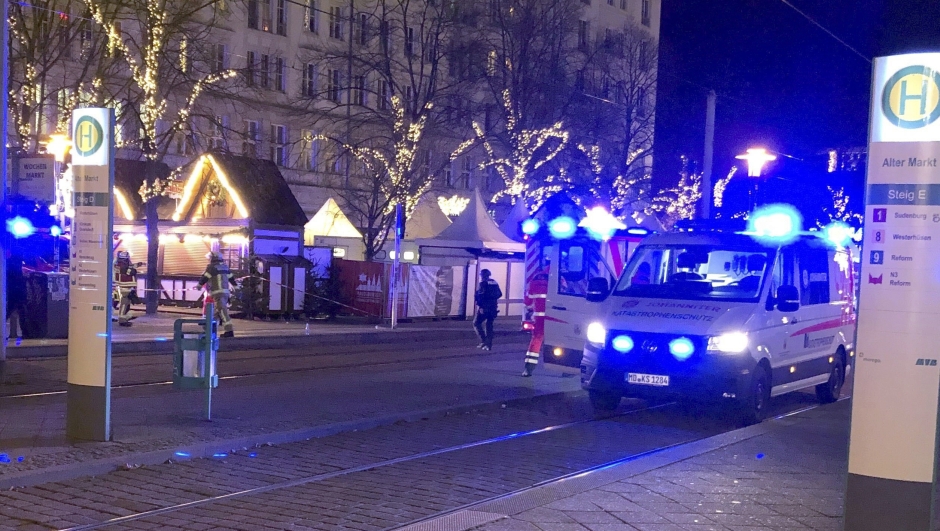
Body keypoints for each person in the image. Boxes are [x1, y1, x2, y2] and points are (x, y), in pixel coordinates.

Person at [197, 252, 238, 338]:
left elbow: (205, 277)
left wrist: (199, 285)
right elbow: (231, 278)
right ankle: (209, 331)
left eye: (209, 258)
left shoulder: (211, 267)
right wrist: (235, 286)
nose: (209, 260)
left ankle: (229, 331)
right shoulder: (225, 267)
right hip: (225, 293)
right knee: (216, 313)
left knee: (222, 312)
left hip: (217, 293)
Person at [522, 272, 548, 377]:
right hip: (556, 317)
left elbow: (528, 302)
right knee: (561, 341)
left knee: (536, 341)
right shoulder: (560, 279)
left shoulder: (535, 281)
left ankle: (528, 369)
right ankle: (566, 370)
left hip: (539, 318)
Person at [473, 269, 502, 351]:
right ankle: (488, 345)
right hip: (493, 307)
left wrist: (481, 306)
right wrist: (492, 299)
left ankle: (484, 341)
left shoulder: (482, 284)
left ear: (482, 275)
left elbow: (480, 296)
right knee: (489, 325)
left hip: (485, 307)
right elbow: (500, 294)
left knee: (476, 323)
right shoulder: (494, 282)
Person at [113, 251, 139, 327]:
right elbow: (130, 271)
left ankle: (125, 317)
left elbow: (131, 267)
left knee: (126, 303)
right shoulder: (123, 266)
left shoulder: (118, 264)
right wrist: (134, 269)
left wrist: (139, 264)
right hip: (125, 287)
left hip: (123, 286)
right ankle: (122, 319)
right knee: (124, 303)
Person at [5, 250, 26, 340]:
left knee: (9, 312)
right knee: (21, 312)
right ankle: (24, 333)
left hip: (12, 292)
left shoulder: (9, 264)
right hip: (18, 292)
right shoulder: (17, 268)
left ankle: (13, 333)